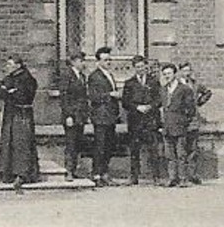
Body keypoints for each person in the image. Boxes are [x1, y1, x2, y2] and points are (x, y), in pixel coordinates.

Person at [0, 55, 40, 188]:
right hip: (10, 113)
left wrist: (8, 93)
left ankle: (22, 173)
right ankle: (7, 172)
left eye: (10, 64)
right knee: (8, 141)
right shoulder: (9, 78)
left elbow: (23, 96)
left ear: (18, 65)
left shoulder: (27, 79)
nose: (7, 67)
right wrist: (8, 92)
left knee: (22, 143)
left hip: (22, 114)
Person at [120, 55, 162, 185]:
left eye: (142, 66)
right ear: (134, 68)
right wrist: (137, 107)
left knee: (153, 149)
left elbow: (159, 99)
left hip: (150, 120)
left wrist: (150, 107)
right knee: (134, 149)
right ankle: (134, 176)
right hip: (135, 121)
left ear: (146, 66)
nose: (140, 69)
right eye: (137, 67)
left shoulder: (154, 82)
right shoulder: (129, 83)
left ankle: (156, 176)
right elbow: (125, 102)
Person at [157, 63, 196, 187]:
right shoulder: (163, 89)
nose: (167, 76)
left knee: (181, 154)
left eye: (169, 73)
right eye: (164, 74)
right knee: (169, 155)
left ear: (175, 74)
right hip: (167, 127)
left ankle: (183, 178)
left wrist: (184, 122)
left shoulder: (184, 89)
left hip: (180, 126)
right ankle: (172, 178)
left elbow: (191, 109)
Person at [86, 46, 120, 186]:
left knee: (109, 145)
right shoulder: (94, 76)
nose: (108, 62)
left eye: (110, 59)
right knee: (100, 146)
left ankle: (105, 173)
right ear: (98, 62)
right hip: (100, 116)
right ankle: (97, 174)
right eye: (105, 60)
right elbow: (93, 96)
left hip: (111, 116)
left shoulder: (109, 75)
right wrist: (109, 95)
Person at [59, 50, 90, 181]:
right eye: (81, 61)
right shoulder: (67, 75)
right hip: (71, 116)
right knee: (71, 143)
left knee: (78, 143)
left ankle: (74, 169)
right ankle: (69, 171)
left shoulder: (82, 76)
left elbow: (83, 97)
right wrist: (68, 116)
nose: (83, 63)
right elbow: (64, 97)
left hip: (80, 115)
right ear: (73, 62)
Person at [179, 63, 211, 185]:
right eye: (184, 70)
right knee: (181, 148)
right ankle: (183, 176)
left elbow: (207, 92)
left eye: (188, 70)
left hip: (193, 120)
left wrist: (199, 102)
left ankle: (192, 174)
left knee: (192, 148)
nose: (186, 73)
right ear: (180, 71)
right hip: (180, 119)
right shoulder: (176, 84)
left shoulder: (195, 84)